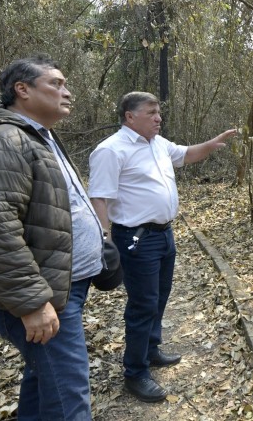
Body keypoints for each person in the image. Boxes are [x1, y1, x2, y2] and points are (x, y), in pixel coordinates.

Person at [0, 55, 104, 420]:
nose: (67, 92)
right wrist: (32, 304)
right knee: (68, 396)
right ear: (22, 90)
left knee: (45, 377)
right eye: (56, 84)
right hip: (38, 293)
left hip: (58, 284)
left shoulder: (37, 136)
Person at [88, 92, 237, 402]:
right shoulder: (111, 150)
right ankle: (135, 372)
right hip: (135, 238)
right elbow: (99, 197)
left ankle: (151, 349)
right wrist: (105, 240)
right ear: (130, 116)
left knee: (159, 297)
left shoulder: (157, 143)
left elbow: (186, 154)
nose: (158, 118)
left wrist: (211, 144)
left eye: (159, 112)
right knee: (143, 305)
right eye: (151, 112)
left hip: (164, 234)